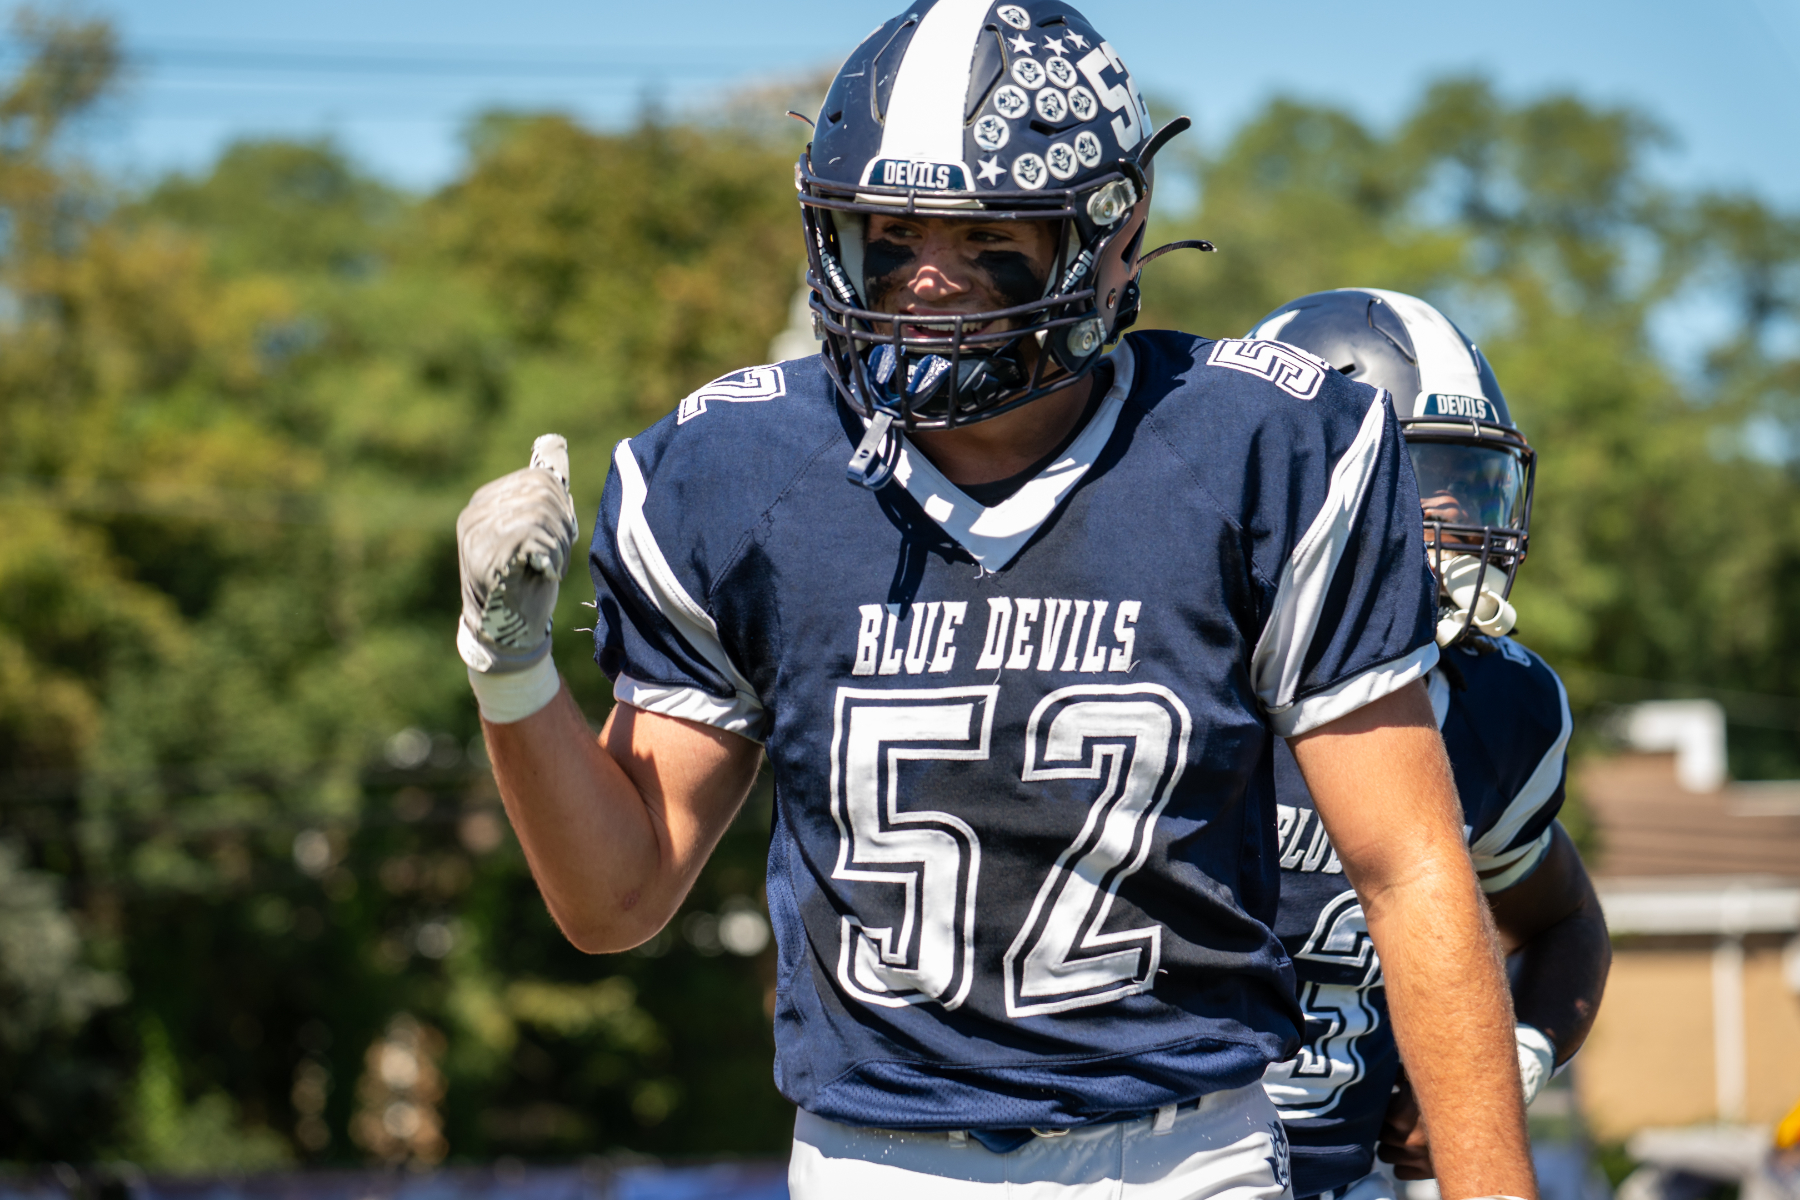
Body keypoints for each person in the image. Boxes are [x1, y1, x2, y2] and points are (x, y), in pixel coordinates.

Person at [452, 4, 1538, 1197]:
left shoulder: (1256, 448)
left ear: (1110, 234)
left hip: (1182, 1154)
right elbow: (615, 899)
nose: (926, 277)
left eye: (984, 238)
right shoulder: (737, 472)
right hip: (878, 1160)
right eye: (890, 230)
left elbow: (1408, 869)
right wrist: (511, 668)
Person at [1244, 289, 1612, 1200]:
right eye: (1421, 480)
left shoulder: (1491, 705)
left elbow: (1563, 920)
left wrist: (1505, 1064)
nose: (1456, 521)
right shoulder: (1165, 672)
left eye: (1472, 482)